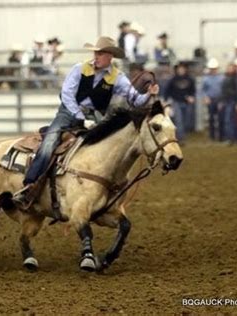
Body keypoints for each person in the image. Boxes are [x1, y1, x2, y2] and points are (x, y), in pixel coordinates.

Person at [13, 36, 159, 209]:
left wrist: (149, 95)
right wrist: (80, 117)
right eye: (95, 53)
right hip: (68, 113)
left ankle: (102, 187)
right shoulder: (79, 69)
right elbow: (67, 95)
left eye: (100, 53)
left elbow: (135, 100)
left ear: (110, 56)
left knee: (109, 146)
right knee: (50, 142)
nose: (96, 56)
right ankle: (29, 184)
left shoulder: (117, 77)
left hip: (95, 116)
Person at [164, 62, 196, 141]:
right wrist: (166, 101)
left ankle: (182, 135)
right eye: (179, 69)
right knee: (179, 120)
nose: (181, 70)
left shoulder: (190, 79)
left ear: (185, 69)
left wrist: (191, 97)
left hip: (187, 103)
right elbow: (167, 91)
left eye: (182, 69)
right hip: (176, 102)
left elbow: (193, 90)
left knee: (187, 120)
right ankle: (180, 138)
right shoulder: (173, 80)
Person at [220, 63, 237, 144]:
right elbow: (223, 92)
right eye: (228, 68)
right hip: (228, 100)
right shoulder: (227, 77)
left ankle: (231, 138)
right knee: (233, 120)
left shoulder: (235, 78)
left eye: (230, 68)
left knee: (229, 120)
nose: (228, 69)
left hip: (232, 100)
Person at [201, 58, 224, 141]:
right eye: (212, 69)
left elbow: (223, 90)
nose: (213, 70)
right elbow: (203, 90)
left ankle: (221, 136)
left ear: (217, 69)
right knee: (211, 119)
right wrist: (205, 97)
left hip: (219, 100)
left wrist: (222, 101)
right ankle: (212, 136)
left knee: (220, 118)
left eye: (214, 69)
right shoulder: (206, 79)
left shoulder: (222, 78)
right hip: (210, 100)